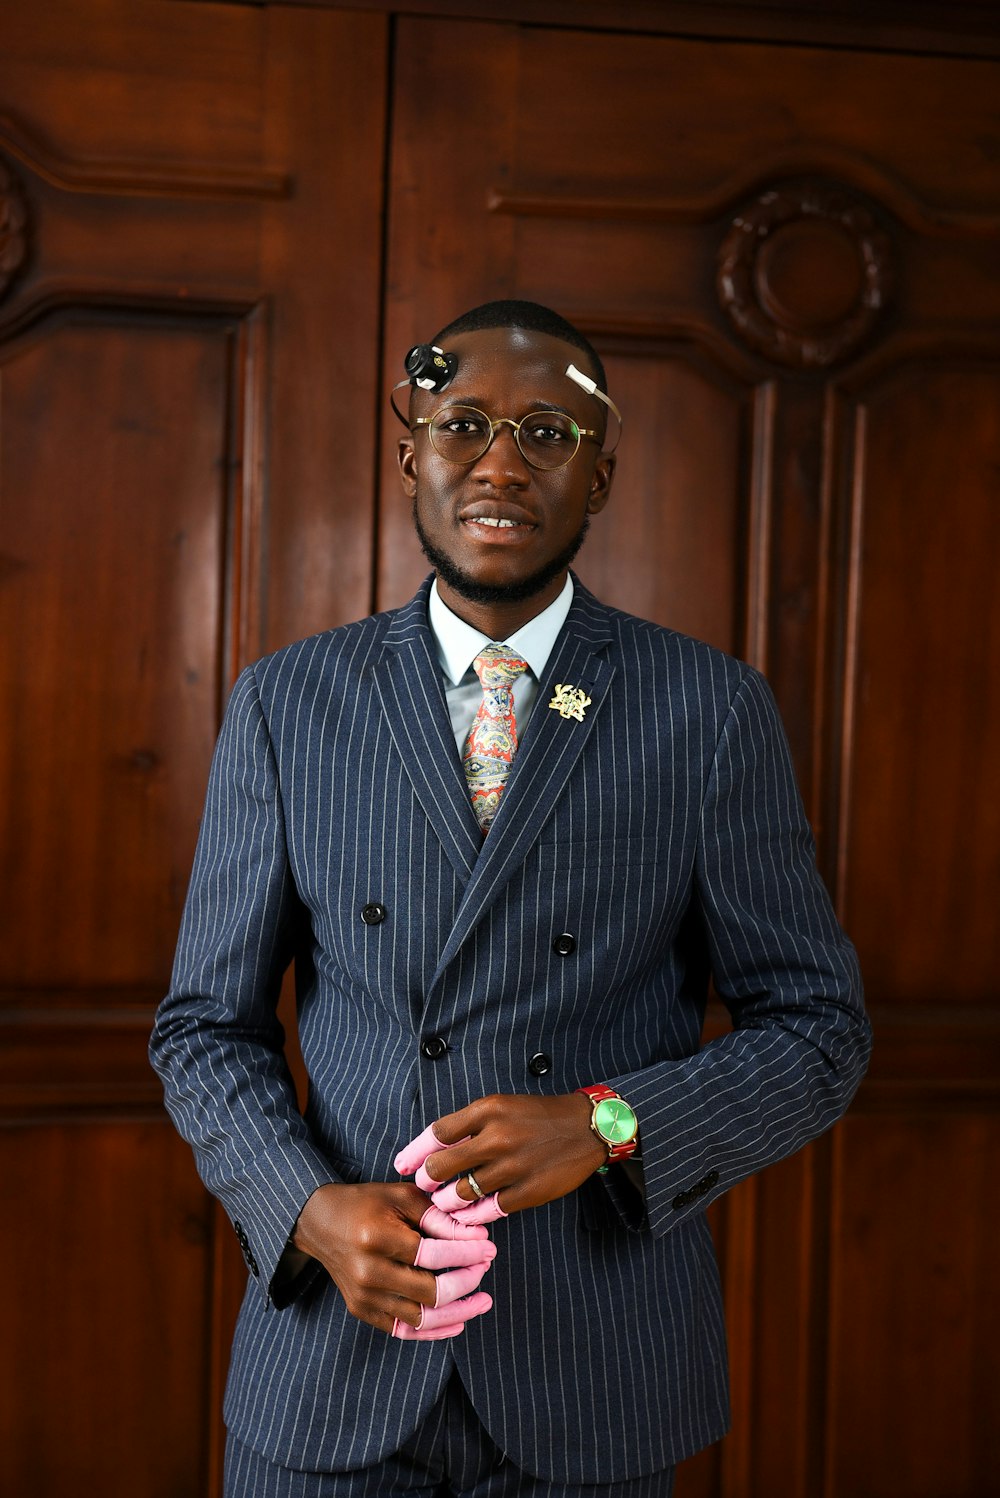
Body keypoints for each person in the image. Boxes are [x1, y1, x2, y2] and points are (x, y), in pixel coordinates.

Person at [150, 299, 870, 1497]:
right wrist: (308, 1210)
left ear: (600, 474)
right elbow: (204, 1029)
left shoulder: (707, 711)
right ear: (410, 456)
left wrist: (603, 1123)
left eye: (547, 431)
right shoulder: (289, 703)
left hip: (594, 1372)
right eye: (463, 423)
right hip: (334, 1358)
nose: (498, 461)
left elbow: (818, 1032)